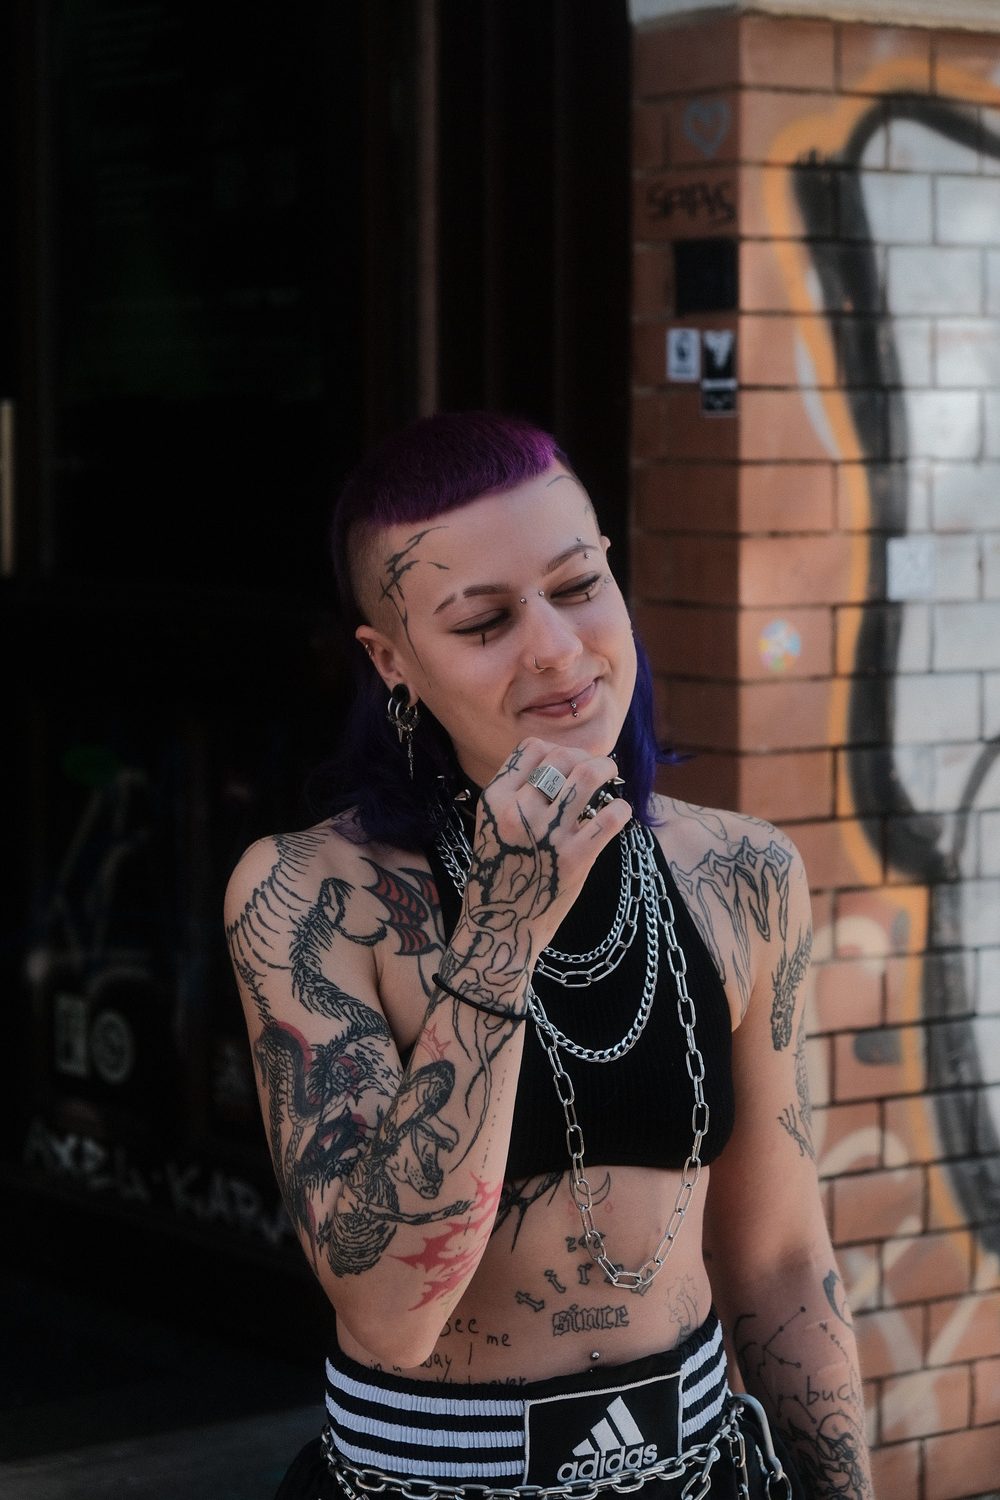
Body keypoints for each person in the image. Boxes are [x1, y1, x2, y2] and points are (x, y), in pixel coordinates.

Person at [225, 411, 874, 1499]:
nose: (558, 649)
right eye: (484, 621)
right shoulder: (313, 895)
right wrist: (504, 929)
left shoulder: (742, 873)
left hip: (696, 1467)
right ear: (392, 661)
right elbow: (388, 1316)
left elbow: (783, 1266)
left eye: (577, 587)